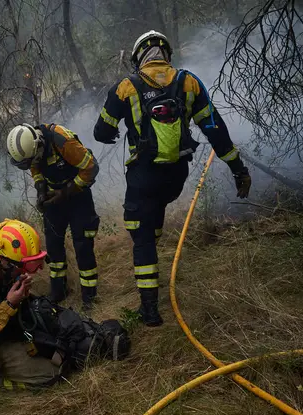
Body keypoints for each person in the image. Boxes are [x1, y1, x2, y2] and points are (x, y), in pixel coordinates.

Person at [93, 30, 252, 326]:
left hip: (144, 177)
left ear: (139, 57)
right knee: (153, 219)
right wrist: (238, 169)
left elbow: (101, 132)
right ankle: (152, 261)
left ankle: (149, 310)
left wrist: (116, 129)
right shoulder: (189, 82)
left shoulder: (126, 87)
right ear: (166, 54)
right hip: (176, 177)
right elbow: (215, 129)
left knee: (140, 235)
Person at [0, 219, 130, 391]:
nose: (26, 272)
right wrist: (9, 304)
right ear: (3, 260)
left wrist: (22, 298)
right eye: (22, 267)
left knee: (62, 349)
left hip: (9, 328)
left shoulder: (2, 265)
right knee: (52, 373)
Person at [6, 123, 100, 310]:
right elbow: (35, 168)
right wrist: (41, 189)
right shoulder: (32, 149)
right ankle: (59, 290)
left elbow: (91, 167)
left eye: (31, 160)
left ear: (38, 145)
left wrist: (66, 192)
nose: (30, 165)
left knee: (82, 245)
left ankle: (89, 296)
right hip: (54, 197)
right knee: (53, 245)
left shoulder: (62, 141)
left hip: (78, 196)